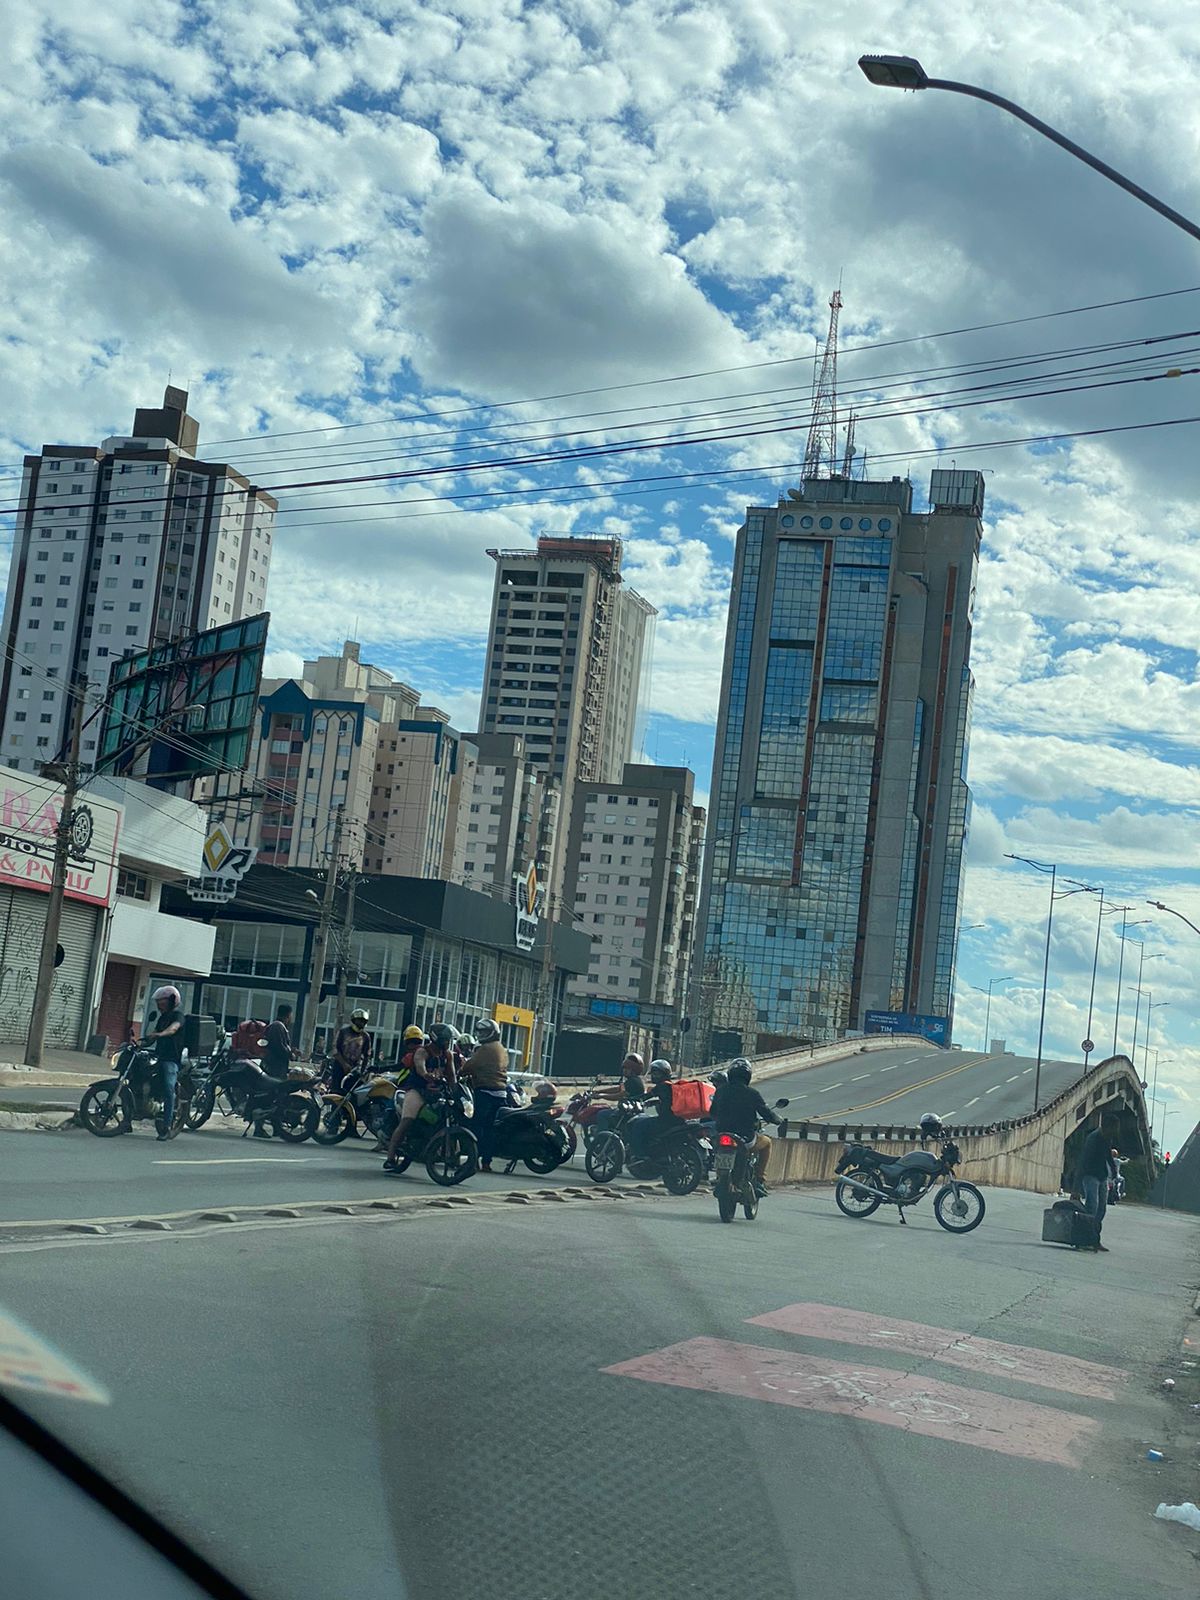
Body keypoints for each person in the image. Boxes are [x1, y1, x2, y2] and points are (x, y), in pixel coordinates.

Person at [383, 1021, 459, 1170]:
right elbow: (420, 1067)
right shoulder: (422, 1052)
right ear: (435, 1038)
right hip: (418, 1090)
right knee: (407, 1121)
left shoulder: (447, 1055)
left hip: (438, 1093)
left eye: (448, 1040)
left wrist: (456, 1090)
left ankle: (452, 1156)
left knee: (451, 1118)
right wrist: (426, 1075)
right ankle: (390, 1157)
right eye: (444, 1040)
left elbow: (452, 1076)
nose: (447, 1043)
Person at [710, 1058, 783, 1197]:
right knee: (767, 1143)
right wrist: (776, 1119)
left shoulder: (720, 1091)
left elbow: (712, 1112)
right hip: (745, 1138)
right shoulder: (752, 1093)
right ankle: (760, 1180)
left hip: (722, 1135)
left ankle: (720, 1177)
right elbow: (767, 1113)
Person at [462, 1017, 508, 1173]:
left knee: (475, 1126)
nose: (482, 1034)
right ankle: (486, 1162)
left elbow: (470, 1066)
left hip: (485, 1092)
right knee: (489, 1129)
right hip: (501, 1093)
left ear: (492, 1033)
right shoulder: (501, 1048)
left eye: (485, 1032)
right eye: (480, 1031)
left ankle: (473, 1160)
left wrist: (458, 1073)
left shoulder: (485, 1049)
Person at [145, 984, 184, 1141]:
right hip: (158, 1057)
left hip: (171, 1060)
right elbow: (154, 1035)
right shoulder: (161, 1018)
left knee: (169, 1089)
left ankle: (167, 1126)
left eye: (162, 1002)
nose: (159, 1005)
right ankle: (127, 1120)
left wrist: (161, 1034)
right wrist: (142, 1042)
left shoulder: (178, 1016)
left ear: (171, 1001)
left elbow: (173, 1029)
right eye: (158, 1002)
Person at [623, 1059, 677, 1164]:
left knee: (638, 1124)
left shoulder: (661, 1086)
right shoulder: (671, 1086)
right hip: (676, 1120)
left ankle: (640, 1154)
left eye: (655, 1073)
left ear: (662, 1074)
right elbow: (668, 1101)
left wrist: (630, 1100)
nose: (653, 1076)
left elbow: (645, 1096)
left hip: (665, 1121)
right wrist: (653, 1103)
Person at [1076, 1115, 1117, 1251]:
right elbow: (1082, 1162)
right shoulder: (1093, 1139)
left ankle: (1094, 1239)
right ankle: (1083, 1239)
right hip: (1090, 1176)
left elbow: (1108, 1155)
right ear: (1106, 1127)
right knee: (1091, 1207)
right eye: (1113, 1129)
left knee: (1102, 1209)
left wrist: (1113, 1168)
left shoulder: (1107, 1138)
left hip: (1102, 1176)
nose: (1114, 1132)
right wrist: (1076, 1187)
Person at [594, 1052, 646, 1132]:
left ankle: (602, 1139)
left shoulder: (633, 1082)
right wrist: (598, 1091)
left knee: (602, 1114)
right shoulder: (633, 1080)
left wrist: (602, 1096)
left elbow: (620, 1095)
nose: (624, 1070)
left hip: (627, 1113)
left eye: (627, 1069)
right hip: (630, 1111)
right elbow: (618, 1089)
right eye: (624, 1068)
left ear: (634, 1070)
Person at [330, 1007, 374, 1092]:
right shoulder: (343, 1032)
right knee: (336, 1092)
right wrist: (344, 1064)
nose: (362, 1023)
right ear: (354, 1020)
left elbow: (367, 1055)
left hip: (354, 1070)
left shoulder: (366, 1036)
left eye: (364, 1021)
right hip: (339, 1067)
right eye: (360, 1020)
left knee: (352, 1093)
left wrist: (362, 1071)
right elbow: (335, 1050)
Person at [263, 1004, 296, 1080]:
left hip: (278, 1067)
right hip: (275, 1068)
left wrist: (292, 1051)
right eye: (291, 1015)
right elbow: (279, 1047)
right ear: (288, 1015)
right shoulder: (278, 1026)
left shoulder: (279, 1026)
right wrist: (290, 1054)